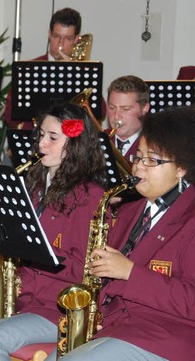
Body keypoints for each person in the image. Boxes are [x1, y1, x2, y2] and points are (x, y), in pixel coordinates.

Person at [0, 102, 109, 361]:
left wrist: (34, 249)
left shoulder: (91, 196)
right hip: (22, 299)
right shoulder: (34, 185)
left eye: (52, 137)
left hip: (56, 309)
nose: (41, 144)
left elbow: (86, 269)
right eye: (40, 135)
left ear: (76, 144)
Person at [61, 106, 195, 361]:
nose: (138, 169)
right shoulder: (128, 210)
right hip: (122, 329)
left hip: (169, 339)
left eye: (152, 160)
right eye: (138, 157)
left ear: (182, 168)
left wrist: (130, 273)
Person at [4, 8, 82, 129]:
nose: (60, 44)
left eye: (68, 38)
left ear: (76, 39)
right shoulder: (28, 69)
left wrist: (75, 72)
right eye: (56, 36)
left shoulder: (82, 72)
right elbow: (9, 115)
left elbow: (99, 111)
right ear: (49, 34)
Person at [104, 75, 150, 163]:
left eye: (126, 109)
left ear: (144, 108)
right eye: (112, 107)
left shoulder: (155, 144)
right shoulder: (97, 141)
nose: (116, 116)